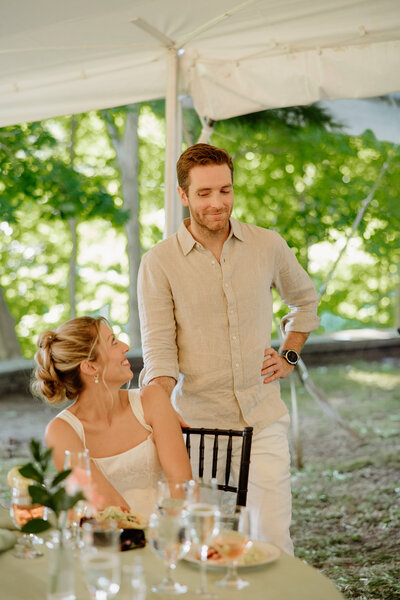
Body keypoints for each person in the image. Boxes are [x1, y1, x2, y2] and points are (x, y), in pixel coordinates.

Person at [137, 143, 320, 553]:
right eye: (204, 193)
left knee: (272, 543)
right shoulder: (159, 263)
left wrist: (289, 354)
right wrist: (158, 412)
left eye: (225, 190)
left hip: (263, 418)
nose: (218, 203)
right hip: (197, 429)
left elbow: (305, 301)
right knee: (202, 548)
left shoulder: (267, 245)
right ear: (183, 196)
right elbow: (161, 353)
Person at [32, 316, 192, 517]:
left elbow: (183, 489)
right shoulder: (61, 432)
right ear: (90, 367)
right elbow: (112, 511)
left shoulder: (152, 399)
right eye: (113, 342)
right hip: (108, 538)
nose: (125, 347)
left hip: (168, 532)